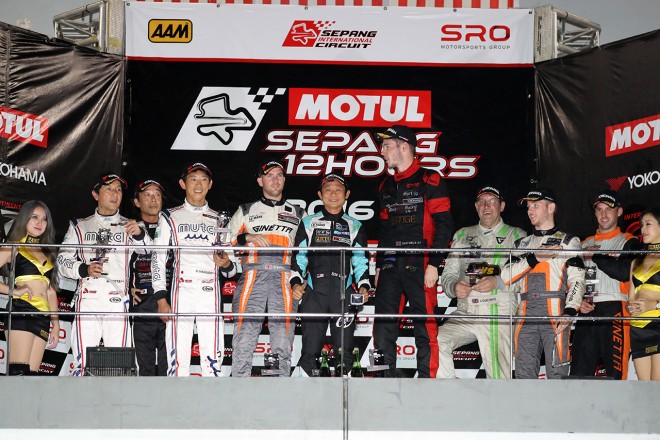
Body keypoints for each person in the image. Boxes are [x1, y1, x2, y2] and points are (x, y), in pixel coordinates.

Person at [373, 125, 452, 378]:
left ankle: (427, 384)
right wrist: (379, 265)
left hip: (421, 263)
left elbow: (444, 225)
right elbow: (384, 229)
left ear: (404, 147)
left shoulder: (431, 179)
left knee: (425, 328)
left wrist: (435, 264)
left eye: (387, 146)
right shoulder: (385, 185)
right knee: (382, 327)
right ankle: (382, 382)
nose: (382, 152)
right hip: (390, 264)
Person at [58, 174, 148, 376]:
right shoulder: (79, 225)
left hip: (117, 299)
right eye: (109, 189)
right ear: (95, 194)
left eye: (119, 190)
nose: (115, 194)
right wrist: (84, 269)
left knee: (120, 365)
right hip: (87, 299)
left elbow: (147, 250)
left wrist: (140, 234)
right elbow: (62, 260)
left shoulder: (131, 225)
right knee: (83, 364)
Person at [151, 163, 236, 377]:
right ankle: (177, 398)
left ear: (210, 184)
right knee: (178, 361)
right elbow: (158, 258)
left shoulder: (220, 219)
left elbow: (231, 269)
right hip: (182, 291)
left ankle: (211, 398)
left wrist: (226, 263)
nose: (198, 184)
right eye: (193, 179)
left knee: (213, 362)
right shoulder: (169, 216)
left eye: (203, 179)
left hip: (210, 291)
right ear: (183, 183)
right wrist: (161, 298)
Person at [437, 186, 526, 379]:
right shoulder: (462, 234)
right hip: (466, 310)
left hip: (497, 310)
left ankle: (499, 399)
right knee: (435, 341)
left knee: (498, 377)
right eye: (482, 202)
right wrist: (453, 287)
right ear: (476, 207)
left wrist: (498, 282)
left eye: (492, 201)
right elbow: (448, 274)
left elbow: (525, 277)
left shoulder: (517, 235)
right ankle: (449, 393)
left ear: (501, 206)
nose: (486, 206)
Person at [497, 188, 585, 379]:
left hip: (556, 314)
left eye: (536, 205)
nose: (530, 210)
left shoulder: (568, 241)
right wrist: (534, 258)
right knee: (523, 375)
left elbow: (577, 280)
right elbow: (505, 277)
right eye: (528, 206)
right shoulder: (521, 244)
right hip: (525, 315)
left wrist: (570, 311)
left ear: (551, 208)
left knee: (558, 375)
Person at [229, 160, 305, 377]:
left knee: (283, 339)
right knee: (244, 337)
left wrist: (300, 280)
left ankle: (280, 388)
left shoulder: (298, 212)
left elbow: (304, 253)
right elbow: (226, 242)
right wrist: (247, 237)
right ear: (260, 181)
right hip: (253, 274)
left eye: (279, 175)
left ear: (284, 180)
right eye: (269, 175)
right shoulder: (245, 210)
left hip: (284, 277)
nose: (275, 179)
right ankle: (239, 387)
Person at [291, 173, 371, 376]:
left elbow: (360, 259)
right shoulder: (308, 222)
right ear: (320, 194)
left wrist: (364, 286)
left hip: (343, 293)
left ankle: (346, 393)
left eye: (338, 190)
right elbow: (299, 256)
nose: (333, 194)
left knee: (345, 351)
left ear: (347, 194)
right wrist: (296, 283)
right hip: (313, 292)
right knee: (310, 351)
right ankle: (307, 391)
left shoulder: (355, 225)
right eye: (328, 190)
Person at [570, 191, 640, 379]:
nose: (603, 215)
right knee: (578, 374)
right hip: (586, 309)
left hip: (615, 308)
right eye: (599, 210)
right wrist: (578, 301)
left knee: (616, 373)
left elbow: (624, 272)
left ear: (619, 212)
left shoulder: (629, 241)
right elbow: (571, 279)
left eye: (609, 209)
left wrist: (596, 256)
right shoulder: (582, 244)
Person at [0, 201, 60, 375]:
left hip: (43, 317)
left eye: (44, 219)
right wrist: (13, 291)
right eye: (34, 217)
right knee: (18, 374)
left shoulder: (48, 251)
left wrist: (56, 324)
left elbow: (50, 291)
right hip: (22, 312)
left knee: (32, 380)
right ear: (24, 218)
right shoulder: (13, 246)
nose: (40, 222)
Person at [129, 179, 171, 376]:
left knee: (168, 367)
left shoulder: (173, 226)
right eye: (147, 195)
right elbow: (117, 263)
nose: (153, 199)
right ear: (137, 202)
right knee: (142, 367)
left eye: (157, 195)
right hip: (142, 304)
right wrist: (125, 288)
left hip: (170, 302)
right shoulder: (130, 228)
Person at [627, 207, 660, 380]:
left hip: (658, 325)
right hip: (637, 329)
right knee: (644, 389)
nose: (643, 229)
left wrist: (653, 305)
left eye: (648, 224)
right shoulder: (636, 261)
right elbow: (630, 298)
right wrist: (631, 307)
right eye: (641, 225)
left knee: (656, 388)